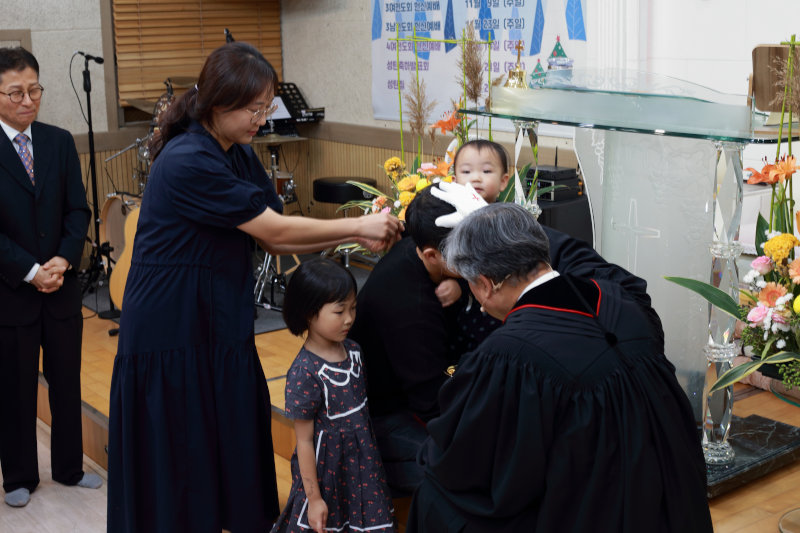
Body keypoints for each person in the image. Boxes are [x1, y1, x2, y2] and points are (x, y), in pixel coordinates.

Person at [106, 42, 402, 533]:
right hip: (171, 319)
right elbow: (274, 230)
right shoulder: (186, 158)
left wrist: (351, 233)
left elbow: (275, 234)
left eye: (267, 108)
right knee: (181, 442)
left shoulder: (236, 153)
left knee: (229, 428)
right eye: (253, 109)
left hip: (217, 309)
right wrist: (355, 226)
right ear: (217, 102)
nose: (261, 120)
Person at [407, 202, 712, 532]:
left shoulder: (510, 355)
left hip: (594, 505)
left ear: (485, 284)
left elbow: (466, 460)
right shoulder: (621, 298)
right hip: (670, 494)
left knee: (433, 498)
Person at [351, 182, 658, 495]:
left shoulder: (450, 264)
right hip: (391, 411)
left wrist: (488, 218)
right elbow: (435, 403)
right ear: (433, 255)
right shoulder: (409, 305)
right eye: (474, 248)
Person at [0, 46, 100, 509]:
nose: (28, 100)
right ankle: (19, 477)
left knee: (66, 382)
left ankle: (69, 467)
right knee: (15, 387)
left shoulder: (59, 142)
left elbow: (78, 209)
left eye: (34, 90)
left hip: (61, 288)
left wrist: (63, 258)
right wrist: (30, 271)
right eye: (16, 93)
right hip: (11, 292)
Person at [271, 258, 394, 533]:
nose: (349, 318)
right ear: (308, 313)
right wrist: (314, 498)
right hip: (327, 473)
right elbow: (304, 441)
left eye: (353, 308)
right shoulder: (304, 372)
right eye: (339, 311)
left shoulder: (355, 351)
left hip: (364, 465)